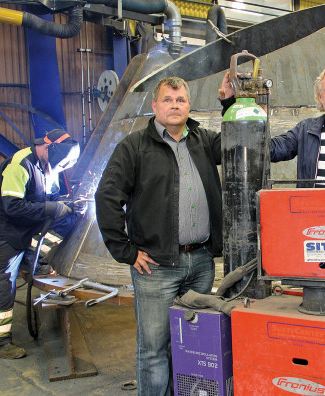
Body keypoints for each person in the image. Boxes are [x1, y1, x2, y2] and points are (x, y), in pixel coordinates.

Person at [95, 75, 230, 396]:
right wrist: (126, 251)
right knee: (154, 348)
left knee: (192, 345)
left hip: (200, 262)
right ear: (155, 106)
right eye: (168, 100)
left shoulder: (203, 140)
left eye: (180, 100)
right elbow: (107, 197)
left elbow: (238, 143)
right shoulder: (134, 147)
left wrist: (230, 103)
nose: (174, 105)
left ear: (189, 105)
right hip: (155, 267)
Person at [0, 129, 82, 359]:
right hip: (3, 231)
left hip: (26, 230)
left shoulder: (51, 167)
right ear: (48, 149)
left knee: (69, 219)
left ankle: (32, 256)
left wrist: (69, 204)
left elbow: (52, 199)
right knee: (3, 282)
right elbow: (13, 207)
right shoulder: (21, 164)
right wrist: (51, 208)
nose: (60, 168)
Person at [220, 64, 325, 187]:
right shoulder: (305, 130)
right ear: (319, 97)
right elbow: (267, 150)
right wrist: (240, 105)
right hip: (312, 224)